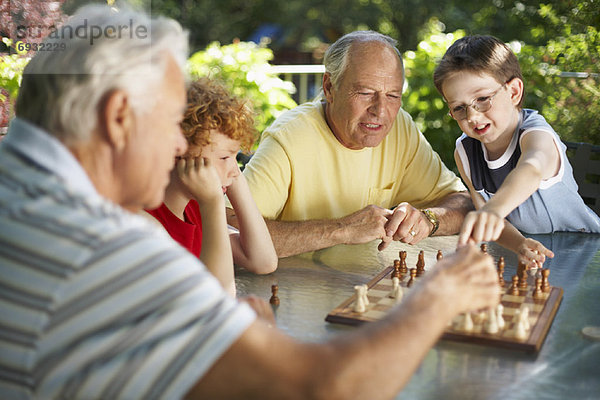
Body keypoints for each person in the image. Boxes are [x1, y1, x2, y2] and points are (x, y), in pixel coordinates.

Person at [0, 6, 500, 399]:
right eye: (172, 122)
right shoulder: (108, 249)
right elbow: (320, 388)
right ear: (118, 116)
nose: (180, 146)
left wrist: (221, 338)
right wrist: (437, 300)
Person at [234, 31, 473, 258]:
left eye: (392, 95)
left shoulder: (400, 127)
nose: (380, 110)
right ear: (330, 87)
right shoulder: (289, 138)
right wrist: (342, 229)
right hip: (289, 289)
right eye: (366, 92)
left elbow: (463, 201)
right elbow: (228, 225)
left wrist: (428, 219)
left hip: (365, 283)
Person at [433, 35, 600, 266]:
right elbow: (496, 224)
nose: (472, 116)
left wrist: (493, 209)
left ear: (513, 92)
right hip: (534, 253)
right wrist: (519, 243)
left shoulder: (537, 134)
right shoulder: (465, 153)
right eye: (459, 108)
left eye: (482, 99)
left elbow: (531, 169)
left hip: (587, 252)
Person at [144, 78, 277, 296]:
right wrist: (213, 201)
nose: (235, 170)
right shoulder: (148, 222)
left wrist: (232, 177)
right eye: (224, 156)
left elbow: (262, 261)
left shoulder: (194, 208)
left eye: (236, 156)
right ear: (176, 152)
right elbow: (219, 301)